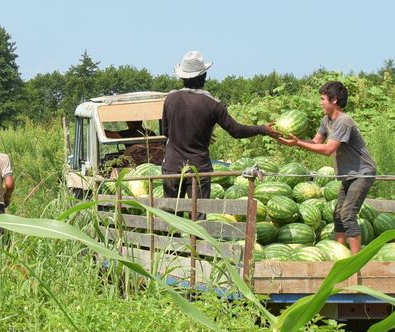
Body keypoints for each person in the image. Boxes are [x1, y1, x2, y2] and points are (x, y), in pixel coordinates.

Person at [160, 50, 281, 205]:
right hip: (198, 169)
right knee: (198, 217)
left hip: (172, 166)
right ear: (204, 76)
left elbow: (166, 132)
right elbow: (236, 131)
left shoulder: (170, 98)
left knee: (171, 216)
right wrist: (262, 129)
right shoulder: (212, 104)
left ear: (182, 77)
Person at [279, 80, 377, 255]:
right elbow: (317, 142)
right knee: (338, 215)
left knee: (347, 214)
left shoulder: (344, 121)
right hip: (348, 174)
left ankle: (356, 261)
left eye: (323, 98)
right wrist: (292, 143)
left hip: (362, 173)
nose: (321, 102)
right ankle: (338, 254)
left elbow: (328, 149)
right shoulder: (327, 120)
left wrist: (299, 143)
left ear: (334, 100)